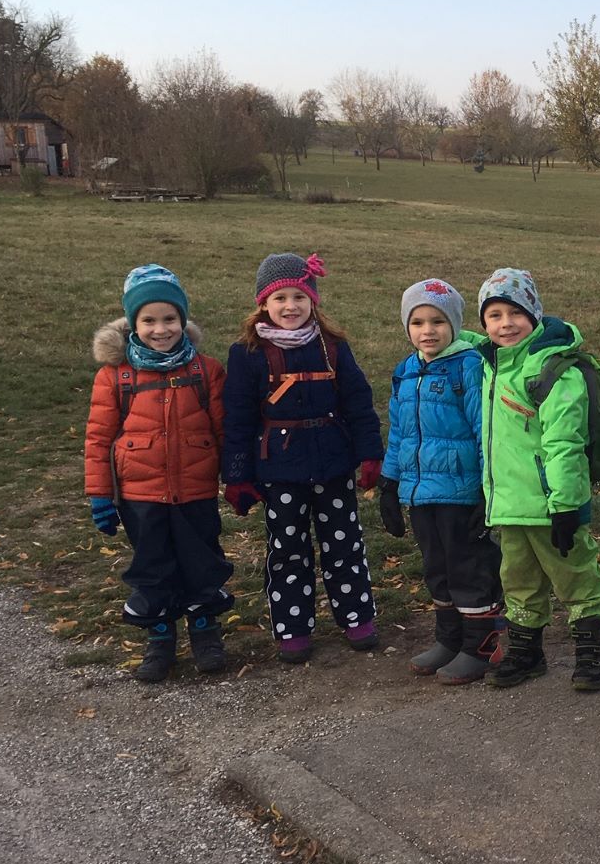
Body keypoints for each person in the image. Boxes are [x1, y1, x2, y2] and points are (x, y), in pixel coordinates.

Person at [221, 253, 383, 664]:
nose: (290, 306)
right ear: (263, 303)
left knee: (344, 543)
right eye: (280, 298)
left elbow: (359, 403)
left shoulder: (333, 347)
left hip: (333, 463)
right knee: (287, 548)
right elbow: (237, 418)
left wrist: (370, 455)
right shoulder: (246, 353)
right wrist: (237, 475)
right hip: (279, 469)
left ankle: (356, 616)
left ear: (313, 301)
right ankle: (293, 627)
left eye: (299, 297)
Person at [85, 264, 232, 683]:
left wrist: (238, 478)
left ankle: (204, 630)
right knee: (153, 567)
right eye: (148, 320)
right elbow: (98, 439)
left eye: (170, 318)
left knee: (201, 562)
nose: (160, 329)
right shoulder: (115, 376)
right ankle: (160, 636)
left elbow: (225, 430)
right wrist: (100, 495)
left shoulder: (205, 371)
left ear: (183, 319)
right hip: (140, 496)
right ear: (133, 323)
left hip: (196, 491)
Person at [473, 268, 600, 691]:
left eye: (516, 313)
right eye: (494, 315)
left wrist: (566, 505)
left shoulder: (553, 369)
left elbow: (564, 443)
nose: (506, 324)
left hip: (553, 504)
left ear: (534, 314)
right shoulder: (492, 363)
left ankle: (590, 649)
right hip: (509, 504)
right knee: (518, 581)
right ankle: (526, 651)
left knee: (576, 576)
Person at [376, 278, 506, 684]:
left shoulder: (468, 366)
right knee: (437, 567)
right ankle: (449, 639)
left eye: (437, 321)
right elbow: (400, 433)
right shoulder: (406, 370)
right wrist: (389, 483)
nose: (427, 331)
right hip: (421, 492)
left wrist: (487, 490)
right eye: (417, 323)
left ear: (454, 324)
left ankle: (482, 644)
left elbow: (485, 431)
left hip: (461, 491)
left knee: (469, 568)